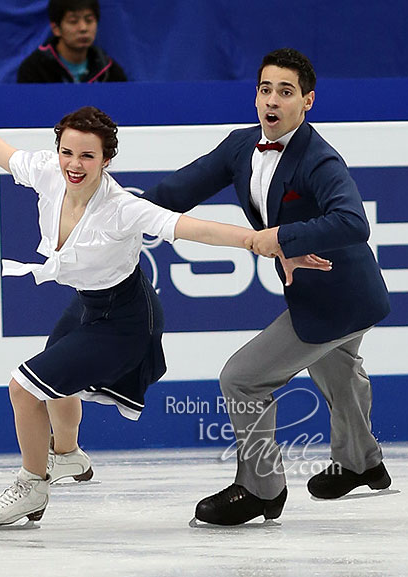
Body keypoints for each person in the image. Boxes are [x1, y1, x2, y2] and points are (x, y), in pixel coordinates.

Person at [0, 80, 331, 527]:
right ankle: (66, 456)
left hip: (125, 320)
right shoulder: (49, 171)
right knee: (52, 382)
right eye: (68, 152)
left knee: (24, 387)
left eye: (87, 156)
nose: (74, 164)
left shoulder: (123, 208)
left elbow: (193, 228)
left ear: (107, 160)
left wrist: (268, 242)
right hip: (88, 305)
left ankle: (31, 485)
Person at [143, 48, 392, 526]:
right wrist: (120, 207)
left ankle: (260, 489)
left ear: (307, 101)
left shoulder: (318, 159)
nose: (272, 101)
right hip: (336, 291)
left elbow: (352, 222)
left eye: (285, 91)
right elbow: (178, 192)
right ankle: (362, 463)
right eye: (265, 89)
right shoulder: (241, 147)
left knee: (243, 378)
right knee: (337, 371)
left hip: (337, 298)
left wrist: (280, 237)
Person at [17, 0, 126, 84]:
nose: (83, 28)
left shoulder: (109, 71)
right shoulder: (34, 69)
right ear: (56, 29)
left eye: (89, 20)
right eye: (73, 21)